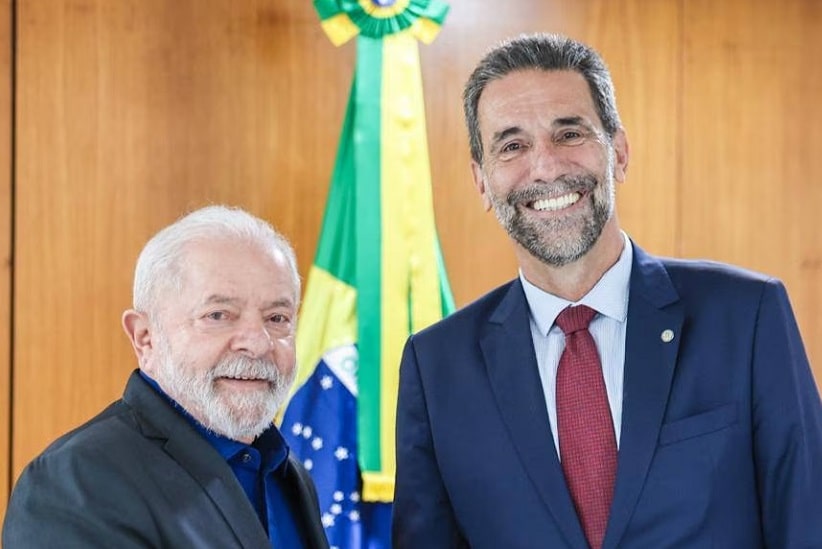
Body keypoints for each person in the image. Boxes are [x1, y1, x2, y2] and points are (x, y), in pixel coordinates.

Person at [392, 33, 822, 549]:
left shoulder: (747, 317)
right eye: (512, 146)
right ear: (482, 181)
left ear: (618, 152)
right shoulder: (436, 365)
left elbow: (806, 523)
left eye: (569, 134)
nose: (546, 167)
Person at [3, 205, 330, 548]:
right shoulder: (72, 482)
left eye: (277, 318)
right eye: (219, 315)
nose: (257, 343)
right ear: (145, 337)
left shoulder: (287, 472)